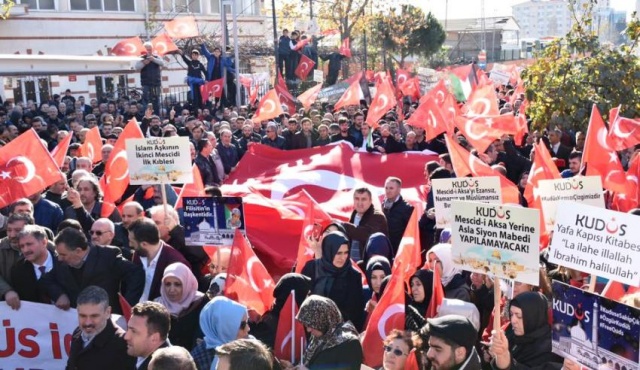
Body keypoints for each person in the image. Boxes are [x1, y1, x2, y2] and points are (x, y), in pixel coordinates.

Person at [40, 227, 144, 313]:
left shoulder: (108, 256)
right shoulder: (62, 262)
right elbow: (46, 280)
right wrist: (59, 294)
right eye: (59, 254)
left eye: (63, 254)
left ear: (78, 251)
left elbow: (136, 274)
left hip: (107, 320)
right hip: (77, 321)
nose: (59, 258)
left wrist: (127, 306)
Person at [301, 231, 365, 331]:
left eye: (346, 253)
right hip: (309, 329)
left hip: (339, 333)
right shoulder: (312, 268)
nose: (343, 257)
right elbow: (301, 300)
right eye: (338, 253)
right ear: (328, 250)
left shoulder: (353, 276)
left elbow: (355, 312)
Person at [66, 286, 136, 370]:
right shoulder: (77, 333)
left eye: (94, 316)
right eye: (83, 316)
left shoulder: (123, 345)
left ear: (107, 312)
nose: (88, 322)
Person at [489, 292, 562, 369]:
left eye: (519, 316)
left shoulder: (549, 350)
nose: (513, 320)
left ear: (533, 317)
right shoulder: (511, 332)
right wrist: (496, 352)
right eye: (511, 314)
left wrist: (505, 358)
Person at [129, 217, 190, 302]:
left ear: (144, 244)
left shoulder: (176, 263)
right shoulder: (138, 255)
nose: (130, 245)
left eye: (132, 242)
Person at [294, 295, 363, 370]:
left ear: (325, 319)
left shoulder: (349, 344)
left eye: (312, 325)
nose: (308, 330)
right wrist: (293, 366)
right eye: (307, 325)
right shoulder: (320, 336)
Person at [154, 262, 208, 350]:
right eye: (167, 284)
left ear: (187, 283)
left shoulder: (202, 303)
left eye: (177, 284)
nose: (171, 289)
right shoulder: (156, 305)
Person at [251, 273, 311, 349]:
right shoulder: (269, 325)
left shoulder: (305, 320)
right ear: (297, 296)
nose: (308, 298)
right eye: (306, 295)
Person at [190, 296, 250, 370]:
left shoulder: (251, 349)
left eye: (247, 322)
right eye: (242, 325)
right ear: (225, 327)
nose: (248, 328)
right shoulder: (198, 361)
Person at [10, 225, 54, 305]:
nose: (25, 250)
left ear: (44, 242)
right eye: (22, 246)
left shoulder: (63, 262)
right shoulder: (18, 271)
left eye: (29, 244)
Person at [342, 187, 388, 260]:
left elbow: (365, 234)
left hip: (369, 265)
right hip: (352, 264)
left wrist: (342, 225)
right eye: (357, 199)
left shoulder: (378, 216)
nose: (360, 203)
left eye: (363, 199)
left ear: (370, 201)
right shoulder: (354, 214)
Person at [124, 301, 171, 370]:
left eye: (134, 331)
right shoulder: (135, 353)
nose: (126, 337)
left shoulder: (169, 366)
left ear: (154, 338)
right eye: (128, 329)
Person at [382, 177, 414, 254]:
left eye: (391, 188)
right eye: (386, 188)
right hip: (383, 248)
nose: (388, 191)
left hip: (399, 251)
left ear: (399, 189)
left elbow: (411, 232)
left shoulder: (407, 208)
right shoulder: (382, 206)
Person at [135, 42, 164, 115]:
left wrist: (153, 59)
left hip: (156, 83)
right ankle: (147, 116)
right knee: (146, 101)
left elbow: (162, 63)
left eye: (150, 49)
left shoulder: (156, 57)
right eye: (147, 49)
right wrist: (144, 63)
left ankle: (156, 116)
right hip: (146, 84)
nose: (148, 51)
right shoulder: (141, 58)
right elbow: (137, 67)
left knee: (156, 101)